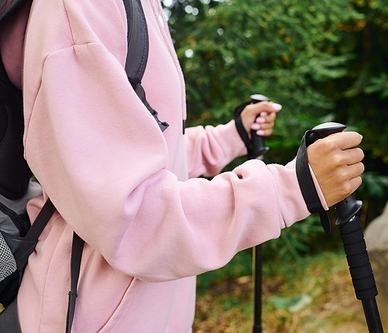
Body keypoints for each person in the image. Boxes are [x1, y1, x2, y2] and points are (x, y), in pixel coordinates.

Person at [15, 0, 364, 332]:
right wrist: (294, 188)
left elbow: (148, 151)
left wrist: (230, 137)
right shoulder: (81, 10)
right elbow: (134, 218)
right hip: (85, 317)